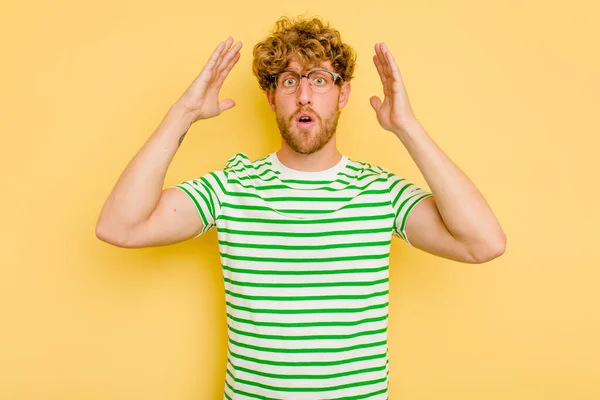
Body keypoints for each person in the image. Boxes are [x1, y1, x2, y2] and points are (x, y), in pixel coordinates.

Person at [96, 16, 506, 400]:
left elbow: (483, 243)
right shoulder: (232, 187)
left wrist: (407, 128)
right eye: (290, 81)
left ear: (343, 94)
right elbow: (120, 227)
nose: (305, 95)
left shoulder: (380, 192)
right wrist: (182, 112)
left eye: (320, 80)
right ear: (272, 97)